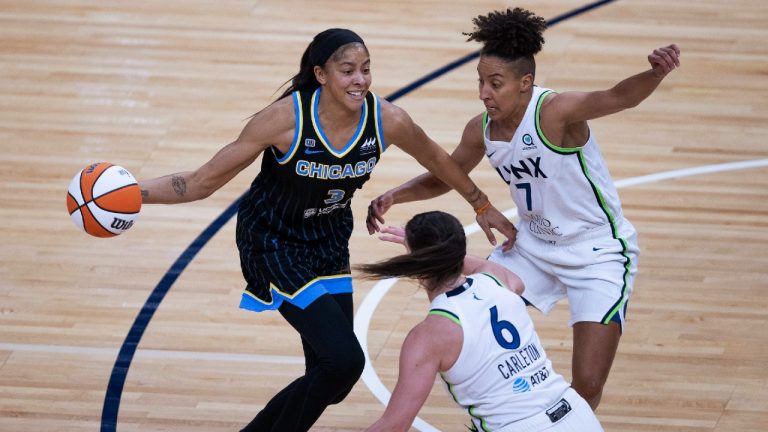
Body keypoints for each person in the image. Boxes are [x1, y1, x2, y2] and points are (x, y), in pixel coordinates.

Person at [137, 28, 517, 432]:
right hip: (272, 241)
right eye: (348, 71)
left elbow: (441, 162)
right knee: (344, 361)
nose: (360, 80)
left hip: (329, 239)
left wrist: (482, 204)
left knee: (334, 379)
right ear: (321, 75)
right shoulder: (284, 120)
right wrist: (133, 194)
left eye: (366, 70)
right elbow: (200, 182)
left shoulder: (387, 120)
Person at [366, 8, 681, 410]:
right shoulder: (481, 128)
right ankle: (496, 398)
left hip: (597, 252)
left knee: (586, 382)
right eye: (481, 81)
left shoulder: (554, 112)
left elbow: (617, 97)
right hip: (531, 248)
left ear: (525, 83)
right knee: (465, 305)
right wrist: (397, 194)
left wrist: (654, 73)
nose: (484, 92)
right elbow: (448, 173)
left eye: (495, 84)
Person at [358, 211, 604, 432]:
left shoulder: (427, 336)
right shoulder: (499, 281)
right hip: (577, 414)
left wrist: (423, 252)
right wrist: (439, 252)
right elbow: (493, 271)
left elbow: (394, 425)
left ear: (416, 263)